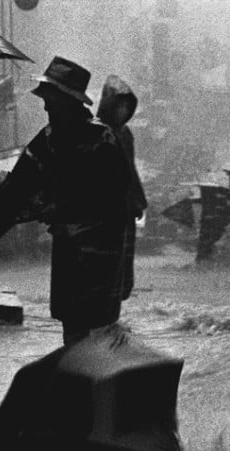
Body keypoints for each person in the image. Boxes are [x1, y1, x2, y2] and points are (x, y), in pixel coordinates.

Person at [0, 56, 131, 345]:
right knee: (71, 324)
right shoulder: (49, 138)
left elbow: (112, 197)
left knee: (98, 327)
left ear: (68, 101)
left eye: (51, 100)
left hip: (100, 253)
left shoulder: (103, 140)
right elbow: (18, 183)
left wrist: (62, 207)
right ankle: (77, 381)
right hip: (67, 247)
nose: (46, 106)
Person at [96, 75, 147, 301]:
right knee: (105, 256)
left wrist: (137, 201)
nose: (123, 112)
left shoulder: (125, 134)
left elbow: (130, 168)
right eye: (119, 106)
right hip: (103, 207)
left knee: (125, 254)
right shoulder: (96, 133)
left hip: (124, 206)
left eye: (127, 107)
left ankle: (119, 294)